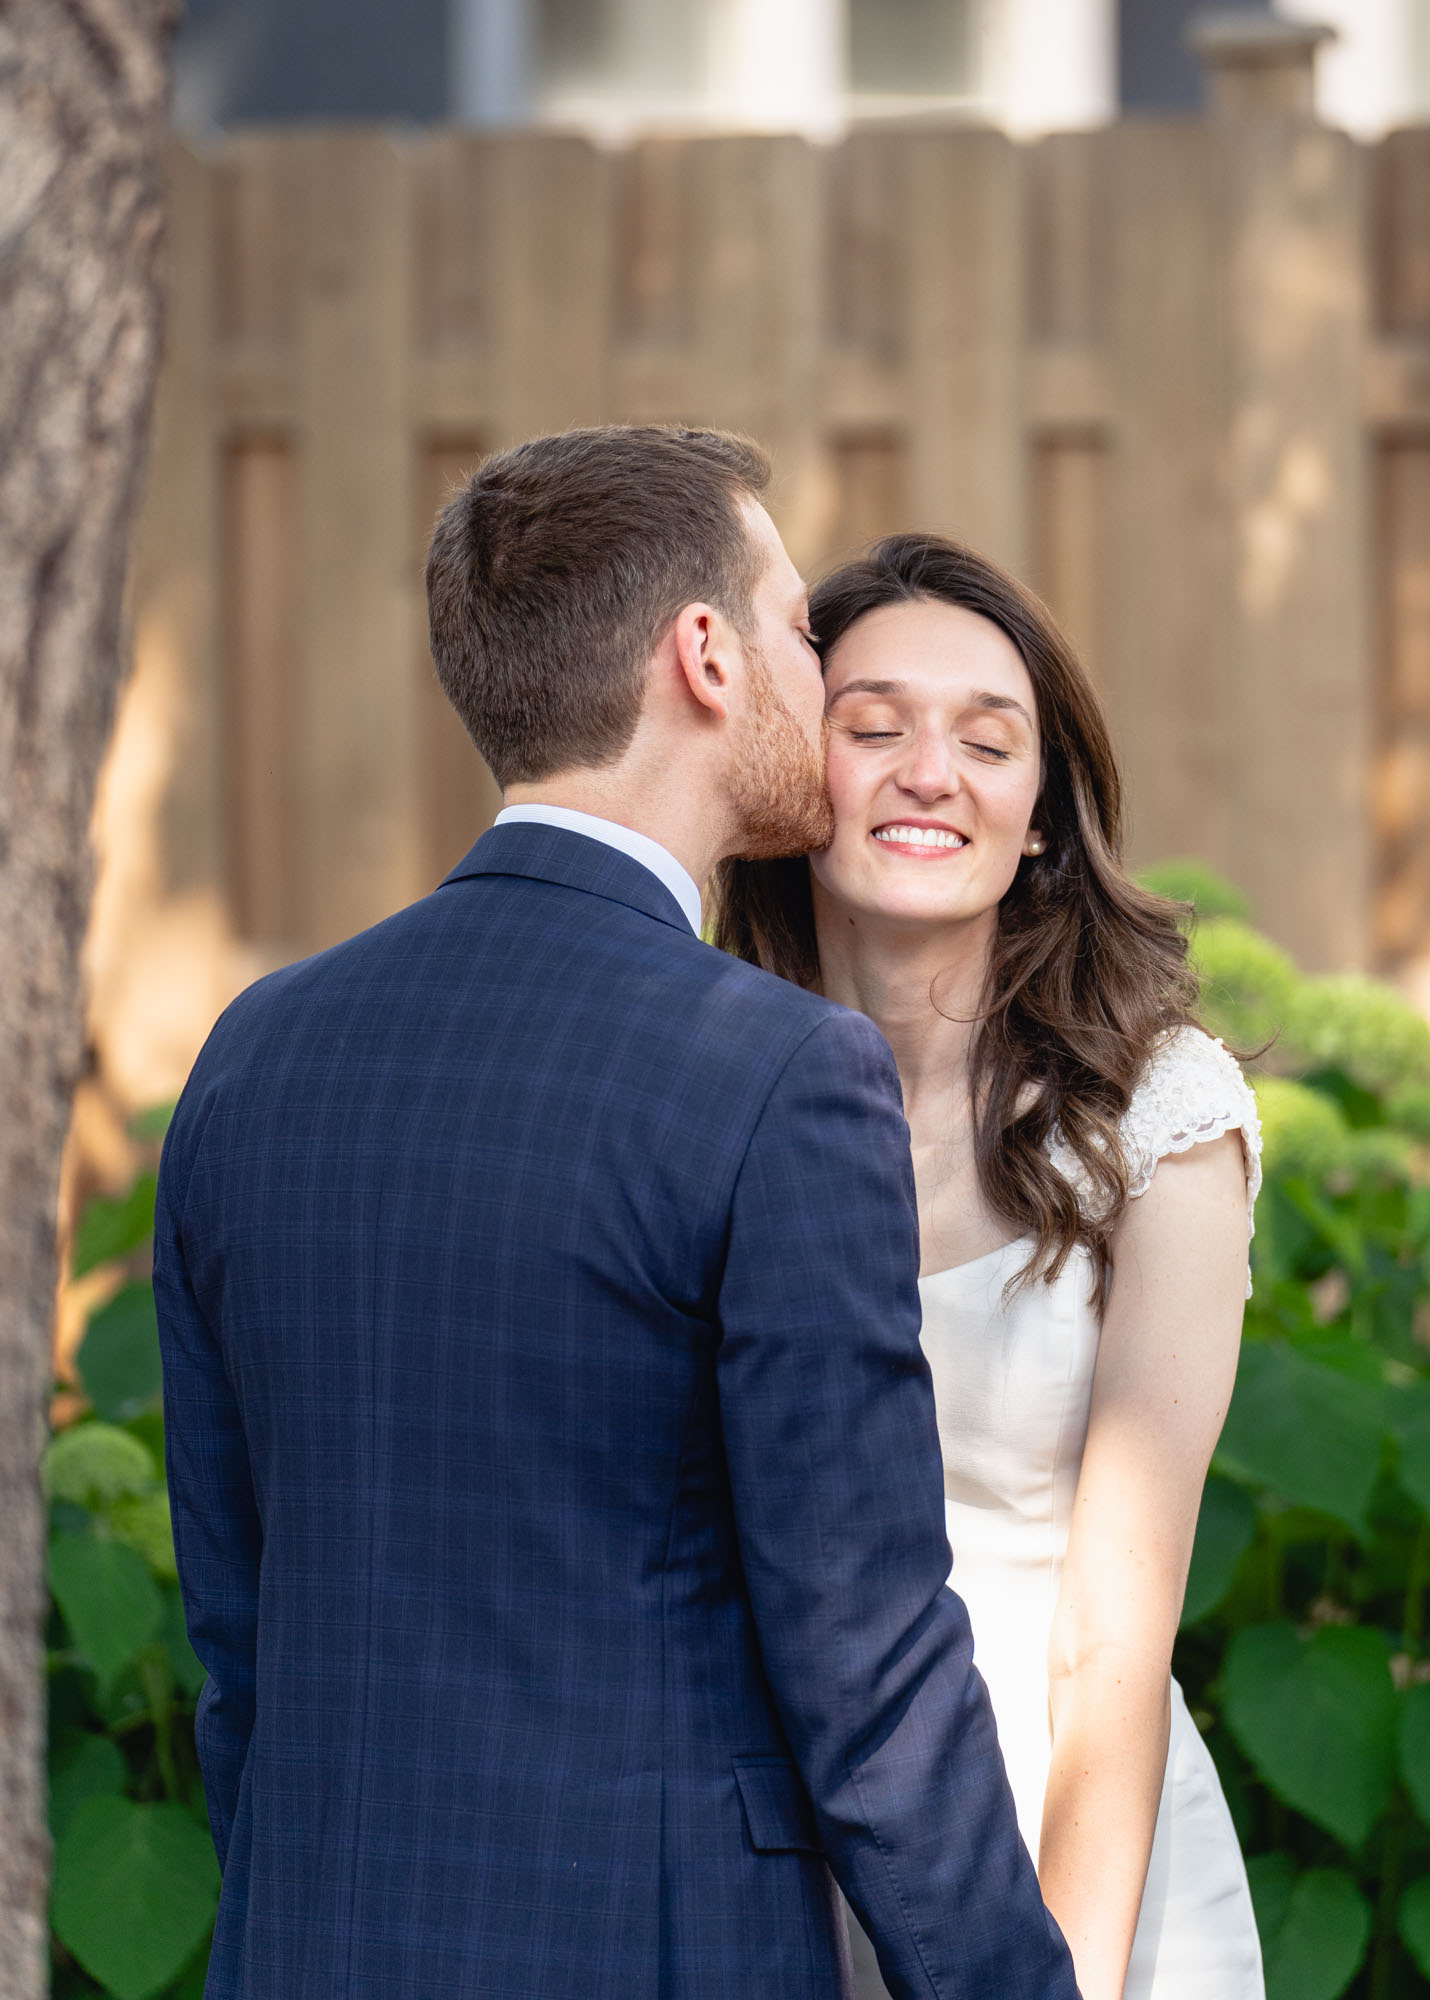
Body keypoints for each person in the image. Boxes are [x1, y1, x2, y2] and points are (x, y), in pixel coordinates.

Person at [153, 429, 1078, 2000]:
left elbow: (239, 1641)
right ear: (704, 656)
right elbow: (869, 1677)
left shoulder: (256, 1050)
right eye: (797, 626)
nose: (815, 660)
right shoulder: (780, 1072)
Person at [715, 532, 1266, 2000]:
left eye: (987, 738)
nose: (927, 772)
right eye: (873, 725)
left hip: (1075, 1846)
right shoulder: (690, 1104)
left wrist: (1058, 1975)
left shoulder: (1163, 1116)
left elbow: (1114, 1629)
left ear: (1038, 815)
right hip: (760, 1859)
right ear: (792, 773)